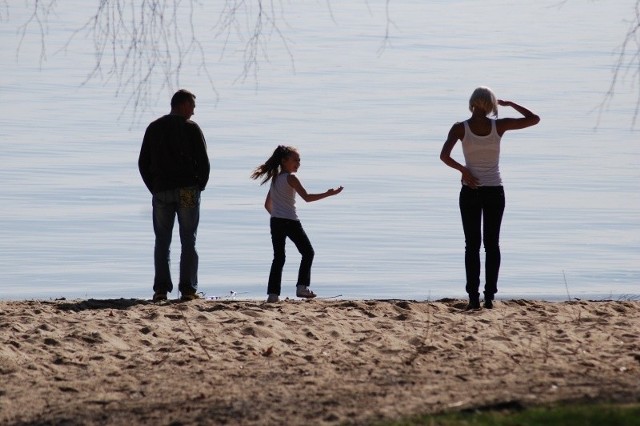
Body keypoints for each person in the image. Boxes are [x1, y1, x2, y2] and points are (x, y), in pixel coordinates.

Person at [440, 87, 540, 310]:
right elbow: (534, 119)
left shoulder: (460, 128)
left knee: (472, 246)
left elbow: (444, 156)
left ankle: (474, 298)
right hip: (495, 191)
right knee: (492, 245)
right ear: (491, 105)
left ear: (472, 103)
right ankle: (489, 297)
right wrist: (511, 103)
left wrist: (463, 171)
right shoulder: (499, 125)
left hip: (471, 191)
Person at [138, 89, 211, 302]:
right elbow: (204, 162)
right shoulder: (191, 129)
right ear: (183, 105)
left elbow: (143, 162)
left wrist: (154, 187)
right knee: (188, 239)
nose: (194, 113)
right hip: (188, 190)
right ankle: (188, 289)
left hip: (161, 190)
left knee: (162, 240)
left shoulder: (154, 127)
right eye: (193, 107)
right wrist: (200, 186)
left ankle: (161, 289)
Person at [251, 146, 343, 303]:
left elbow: (267, 205)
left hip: (276, 221)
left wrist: (277, 215)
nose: (298, 163)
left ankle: (273, 295)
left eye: (299, 160)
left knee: (278, 258)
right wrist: (329, 194)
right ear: (284, 161)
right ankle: (301, 288)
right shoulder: (291, 178)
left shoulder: (274, 178)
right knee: (308, 252)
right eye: (295, 160)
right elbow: (307, 198)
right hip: (291, 221)